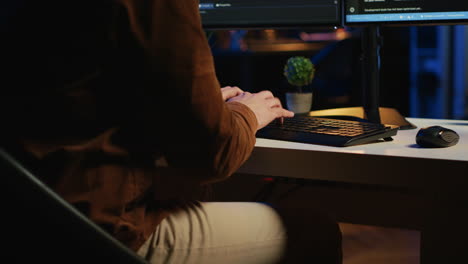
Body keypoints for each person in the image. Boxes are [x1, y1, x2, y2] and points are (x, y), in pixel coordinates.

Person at [1, 0, 342, 263]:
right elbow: (213, 154)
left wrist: (200, 107)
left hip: (22, 220)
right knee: (314, 231)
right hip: (89, 232)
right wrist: (246, 112)